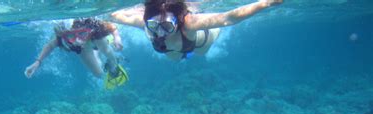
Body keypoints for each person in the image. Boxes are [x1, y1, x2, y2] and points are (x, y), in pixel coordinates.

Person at [110, 0, 283, 60]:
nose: (160, 32)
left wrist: (265, 3)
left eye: (167, 26)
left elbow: (227, 18)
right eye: (154, 25)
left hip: (200, 43)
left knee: (202, 52)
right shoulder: (143, 23)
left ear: (177, 22)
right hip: (173, 51)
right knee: (175, 59)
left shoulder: (189, 23)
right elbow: (116, 16)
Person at [25, 18, 128, 89]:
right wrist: (37, 62)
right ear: (64, 35)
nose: (77, 40)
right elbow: (50, 46)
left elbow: (112, 27)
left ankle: (113, 64)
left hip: (94, 37)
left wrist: (117, 39)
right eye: (71, 36)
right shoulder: (61, 37)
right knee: (98, 73)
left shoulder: (92, 24)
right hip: (84, 48)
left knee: (105, 48)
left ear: (86, 29)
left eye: (81, 33)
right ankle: (96, 52)